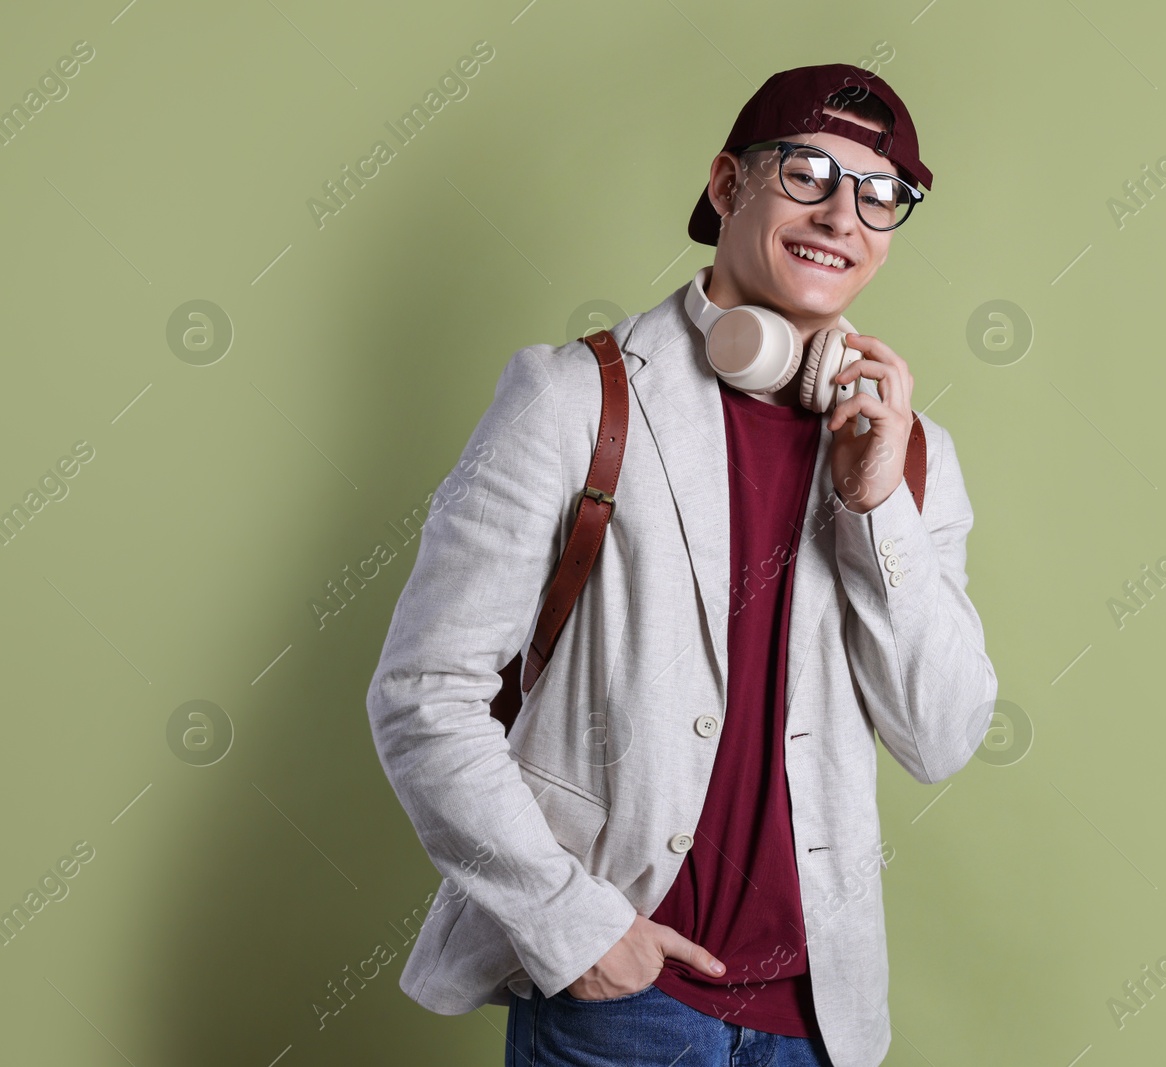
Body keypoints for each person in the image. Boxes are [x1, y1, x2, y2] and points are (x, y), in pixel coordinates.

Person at [366, 63, 998, 1067]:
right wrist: (577, 927)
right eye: (806, 173)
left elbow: (942, 734)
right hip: (622, 1008)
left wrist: (878, 508)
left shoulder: (911, 453)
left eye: (880, 195)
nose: (842, 215)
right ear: (724, 185)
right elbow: (422, 693)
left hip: (821, 1022)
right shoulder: (575, 399)